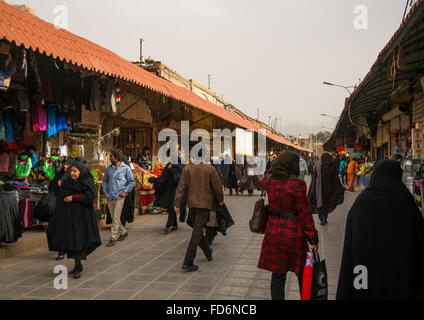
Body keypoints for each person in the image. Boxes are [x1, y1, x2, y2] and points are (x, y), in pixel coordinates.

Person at [337, 160, 424, 299]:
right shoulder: (405, 200)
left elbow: (351, 243)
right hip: (398, 277)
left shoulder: (362, 202)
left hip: (364, 275)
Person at [258, 151, 319, 300]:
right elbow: (304, 213)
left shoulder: (268, 180)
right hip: (294, 233)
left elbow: (264, 177)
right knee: (302, 272)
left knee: (277, 275)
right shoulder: (297, 184)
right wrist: (313, 238)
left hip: (273, 232)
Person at [46, 160, 102, 279]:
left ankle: (78, 266)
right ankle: (77, 265)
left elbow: (89, 196)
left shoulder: (87, 181)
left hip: (82, 218)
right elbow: (59, 193)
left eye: (75, 171)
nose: (72, 173)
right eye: (71, 171)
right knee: (72, 240)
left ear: (81, 171)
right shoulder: (67, 182)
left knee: (79, 240)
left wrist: (74, 197)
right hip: (69, 217)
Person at [174, 154, 224, 272]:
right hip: (204, 205)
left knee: (196, 228)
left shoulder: (187, 169)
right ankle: (188, 261)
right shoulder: (210, 169)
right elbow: (217, 187)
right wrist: (221, 199)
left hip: (192, 205)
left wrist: (176, 203)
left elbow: (180, 188)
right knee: (197, 230)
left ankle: (207, 251)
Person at [102, 149, 135, 247]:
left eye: (111, 156)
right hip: (109, 196)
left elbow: (131, 182)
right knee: (114, 218)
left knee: (116, 218)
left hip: (119, 196)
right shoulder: (108, 169)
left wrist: (125, 191)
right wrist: (104, 191)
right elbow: (105, 181)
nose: (109, 158)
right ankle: (123, 232)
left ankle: (113, 238)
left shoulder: (125, 168)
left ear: (116, 158)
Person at [308, 152, 345, 225]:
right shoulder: (331, 166)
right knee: (327, 203)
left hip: (319, 188)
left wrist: (312, 188)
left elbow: (314, 178)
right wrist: (339, 187)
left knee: (320, 202)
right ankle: (325, 218)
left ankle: (322, 218)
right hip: (329, 189)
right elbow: (336, 178)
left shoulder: (318, 165)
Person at [150, 159, 184, 234]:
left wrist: (171, 169)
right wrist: (155, 180)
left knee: (172, 207)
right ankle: (174, 224)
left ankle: (168, 226)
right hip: (168, 191)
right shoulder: (168, 165)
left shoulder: (179, 168)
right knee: (171, 207)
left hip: (176, 191)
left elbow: (177, 179)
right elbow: (163, 178)